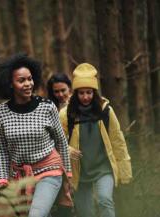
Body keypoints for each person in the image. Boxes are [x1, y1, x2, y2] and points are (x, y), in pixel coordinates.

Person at [0, 53, 72, 217]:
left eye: (30, 79)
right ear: (10, 84)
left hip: (49, 170)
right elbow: (2, 150)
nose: (28, 84)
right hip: (21, 177)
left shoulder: (47, 106)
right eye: (21, 80)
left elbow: (61, 141)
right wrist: (2, 178)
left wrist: (68, 172)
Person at [59, 63, 132, 217]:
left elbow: (118, 140)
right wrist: (66, 149)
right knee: (86, 213)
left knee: (105, 200)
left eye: (89, 92)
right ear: (75, 92)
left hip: (103, 168)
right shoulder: (66, 114)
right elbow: (55, 139)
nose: (85, 97)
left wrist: (124, 170)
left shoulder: (105, 111)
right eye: (81, 93)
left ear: (95, 92)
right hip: (80, 170)